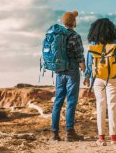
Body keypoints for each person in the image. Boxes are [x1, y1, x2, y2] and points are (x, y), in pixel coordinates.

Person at [84, 18, 116, 146]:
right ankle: (114, 136)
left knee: (100, 106)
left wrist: (87, 77)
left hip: (98, 78)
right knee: (112, 106)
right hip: (113, 77)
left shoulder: (93, 43)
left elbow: (89, 63)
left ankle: (101, 137)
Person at [50, 11, 85, 142]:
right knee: (71, 101)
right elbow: (80, 56)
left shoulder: (57, 36)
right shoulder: (75, 36)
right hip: (72, 72)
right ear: (74, 22)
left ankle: (54, 134)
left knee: (58, 102)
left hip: (59, 72)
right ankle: (69, 133)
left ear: (64, 22)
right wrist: (85, 72)